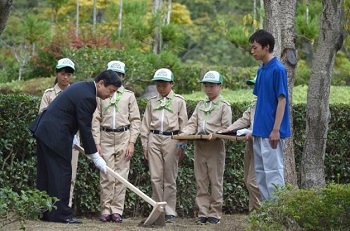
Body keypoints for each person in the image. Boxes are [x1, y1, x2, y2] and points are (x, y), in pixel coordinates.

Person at [29, 70, 122, 224]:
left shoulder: (82, 87)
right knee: (62, 173)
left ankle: (46, 212)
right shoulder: (88, 96)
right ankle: (61, 215)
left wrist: (72, 136)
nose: (110, 95)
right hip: (55, 134)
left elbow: (69, 115)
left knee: (47, 173)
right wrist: (95, 156)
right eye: (110, 91)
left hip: (46, 131)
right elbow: (85, 128)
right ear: (100, 83)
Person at [180, 71, 232, 225]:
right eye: (206, 86)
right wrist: (184, 133)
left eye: (212, 86)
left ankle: (215, 212)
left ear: (220, 87)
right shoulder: (201, 104)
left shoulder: (224, 106)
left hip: (215, 146)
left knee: (215, 180)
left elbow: (227, 128)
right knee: (201, 179)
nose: (208, 89)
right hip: (199, 144)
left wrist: (217, 134)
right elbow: (192, 123)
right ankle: (203, 212)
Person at [92, 61, 141, 223]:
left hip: (123, 137)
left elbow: (135, 120)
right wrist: (97, 142)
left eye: (119, 75)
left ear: (123, 77)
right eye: (113, 74)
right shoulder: (101, 94)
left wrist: (132, 142)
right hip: (105, 136)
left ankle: (117, 210)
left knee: (121, 175)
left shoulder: (129, 95)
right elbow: (95, 119)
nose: (116, 77)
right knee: (106, 174)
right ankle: (105, 209)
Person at [140, 68, 188, 223]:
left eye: (164, 85)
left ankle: (169, 211)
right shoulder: (151, 101)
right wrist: (145, 145)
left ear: (171, 84)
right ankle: (157, 209)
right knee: (155, 176)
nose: (161, 88)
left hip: (171, 138)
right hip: (154, 137)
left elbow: (184, 125)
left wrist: (182, 145)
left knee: (170, 177)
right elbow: (145, 125)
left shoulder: (179, 101)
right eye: (158, 85)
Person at [249, 29, 291, 201]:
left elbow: (282, 101)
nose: (252, 51)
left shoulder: (278, 69)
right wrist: (253, 128)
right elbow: (260, 101)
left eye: (255, 47)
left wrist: (276, 130)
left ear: (266, 47)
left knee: (273, 173)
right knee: (260, 174)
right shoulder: (261, 70)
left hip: (272, 132)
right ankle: (268, 214)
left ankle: (278, 214)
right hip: (259, 131)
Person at [38, 58, 79, 208]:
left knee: (70, 174)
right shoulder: (48, 94)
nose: (65, 77)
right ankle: (47, 207)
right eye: (62, 73)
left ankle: (65, 207)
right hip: (52, 141)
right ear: (56, 74)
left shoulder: (76, 94)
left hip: (71, 140)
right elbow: (43, 115)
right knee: (50, 173)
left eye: (68, 74)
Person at [219, 77, 261, 212]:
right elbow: (244, 120)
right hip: (250, 145)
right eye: (254, 86)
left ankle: (264, 212)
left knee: (253, 182)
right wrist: (228, 129)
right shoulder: (254, 105)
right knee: (247, 180)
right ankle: (254, 214)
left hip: (263, 146)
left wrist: (253, 132)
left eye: (258, 85)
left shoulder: (271, 104)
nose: (255, 89)